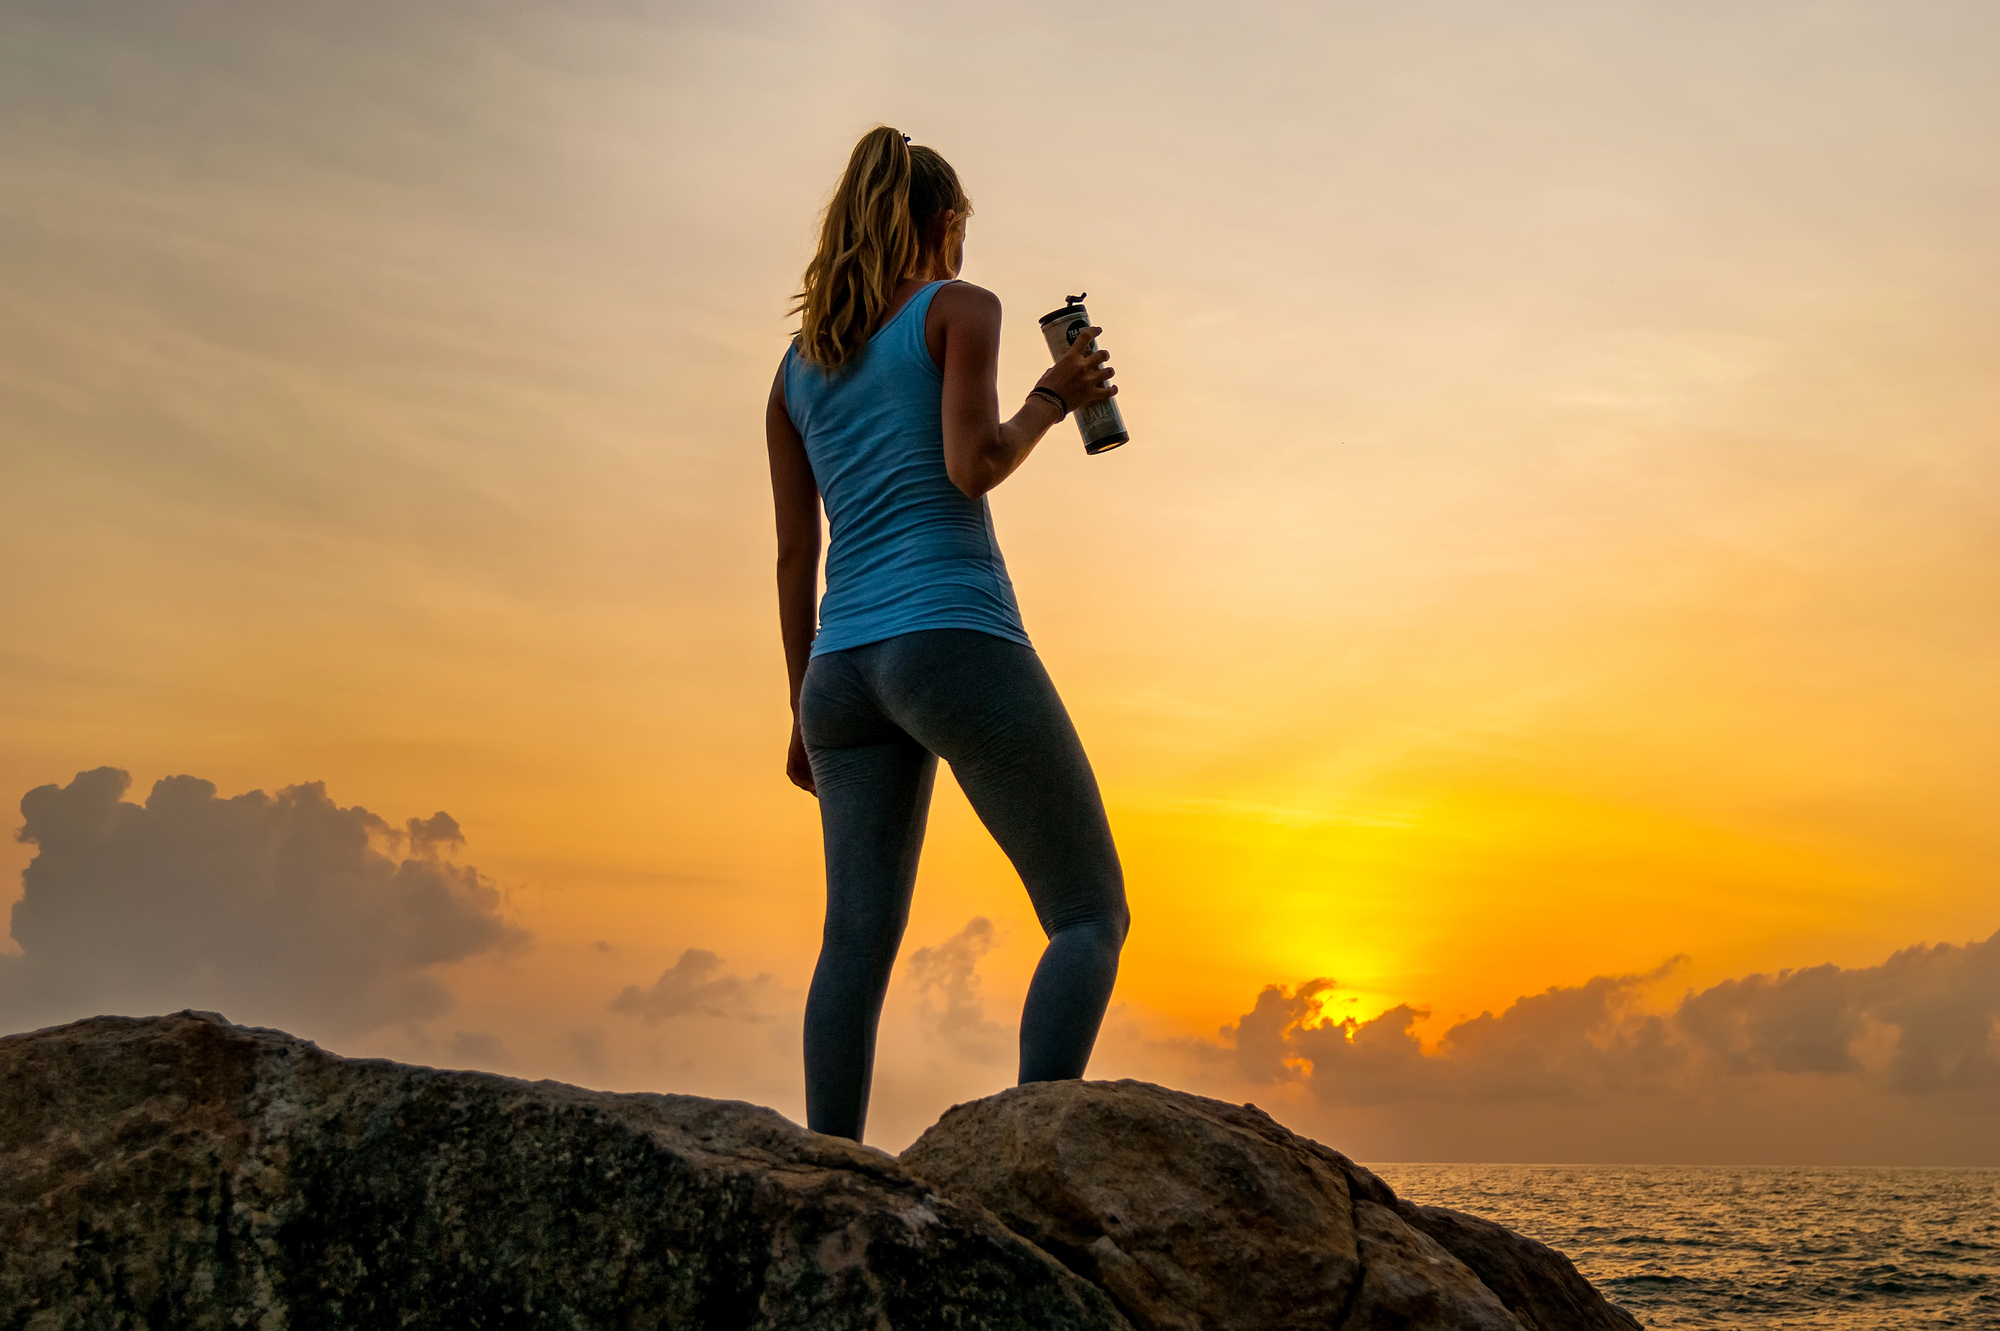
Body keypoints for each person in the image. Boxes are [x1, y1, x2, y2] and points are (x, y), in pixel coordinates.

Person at [766, 126, 1131, 1142]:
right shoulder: (957, 310)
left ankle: (829, 1172)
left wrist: (800, 708)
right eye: (960, 231)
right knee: (1086, 915)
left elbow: (795, 558)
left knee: (854, 943)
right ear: (940, 225)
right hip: (949, 634)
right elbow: (973, 463)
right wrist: (1055, 400)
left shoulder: (795, 372)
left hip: (839, 670)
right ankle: (1023, 1160)